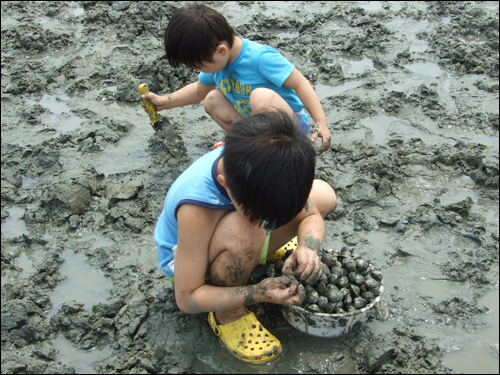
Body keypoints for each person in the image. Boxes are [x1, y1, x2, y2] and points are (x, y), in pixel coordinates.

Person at [154, 111, 337, 364]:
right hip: (194, 268)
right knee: (245, 229)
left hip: (236, 232)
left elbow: (311, 216)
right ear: (225, 184)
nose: (268, 223)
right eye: (264, 217)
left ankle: (253, 250)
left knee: (325, 195)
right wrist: (257, 293)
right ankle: (229, 315)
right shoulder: (195, 208)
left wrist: (307, 248)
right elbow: (187, 298)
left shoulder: (268, 167)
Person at [141, 4, 332, 153]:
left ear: (221, 50)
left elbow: (300, 83)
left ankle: (274, 151)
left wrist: (320, 121)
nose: (198, 70)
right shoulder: (217, 62)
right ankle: (249, 144)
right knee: (212, 99)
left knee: (261, 97)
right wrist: (164, 102)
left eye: (199, 65)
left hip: (290, 128)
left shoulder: (260, 58)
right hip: (256, 127)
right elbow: (199, 90)